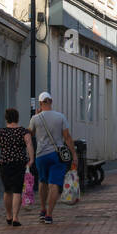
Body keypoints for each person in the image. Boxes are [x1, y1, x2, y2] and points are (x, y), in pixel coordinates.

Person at [29, 92, 77, 224]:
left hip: (41, 155)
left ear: (40, 103)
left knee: (42, 182)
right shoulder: (60, 117)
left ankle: (43, 210)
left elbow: (30, 134)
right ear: (51, 101)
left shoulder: (36, 118)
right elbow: (67, 137)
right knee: (54, 184)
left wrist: (36, 116)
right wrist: (74, 155)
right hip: (57, 155)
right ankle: (49, 215)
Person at [0, 107, 34, 226]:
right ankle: (16, 218)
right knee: (17, 190)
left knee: (7, 190)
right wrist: (32, 159)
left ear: (6, 118)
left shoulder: (0, 132)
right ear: (17, 118)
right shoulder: (23, 132)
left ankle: (8, 215)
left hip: (5, 163)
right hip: (19, 163)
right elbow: (29, 144)